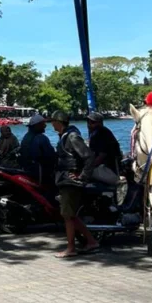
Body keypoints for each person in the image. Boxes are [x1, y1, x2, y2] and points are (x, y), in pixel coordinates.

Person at [51, 111, 99, 259]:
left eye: (53, 121)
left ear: (58, 122)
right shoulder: (65, 135)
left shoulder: (71, 136)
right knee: (70, 215)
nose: (51, 124)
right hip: (64, 179)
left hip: (70, 181)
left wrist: (82, 176)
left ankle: (71, 248)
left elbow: (89, 156)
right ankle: (91, 241)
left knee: (67, 215)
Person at [18, 114, 55, 188]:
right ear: (37, 125)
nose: (45, 126)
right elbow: (51, 156)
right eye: (43, 124)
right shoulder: (41, 138)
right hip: (39, 174)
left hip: (27, 171)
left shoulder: (26, 137)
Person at [86, 111, 122, 182]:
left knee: (82, 174)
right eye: (88, 122)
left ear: (100, 123)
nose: (89, 125)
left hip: (108, 170)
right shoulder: (95, 133)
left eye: (92, 122)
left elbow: (102, 156)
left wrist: (88, 168)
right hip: (105, 168)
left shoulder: (102, 133)